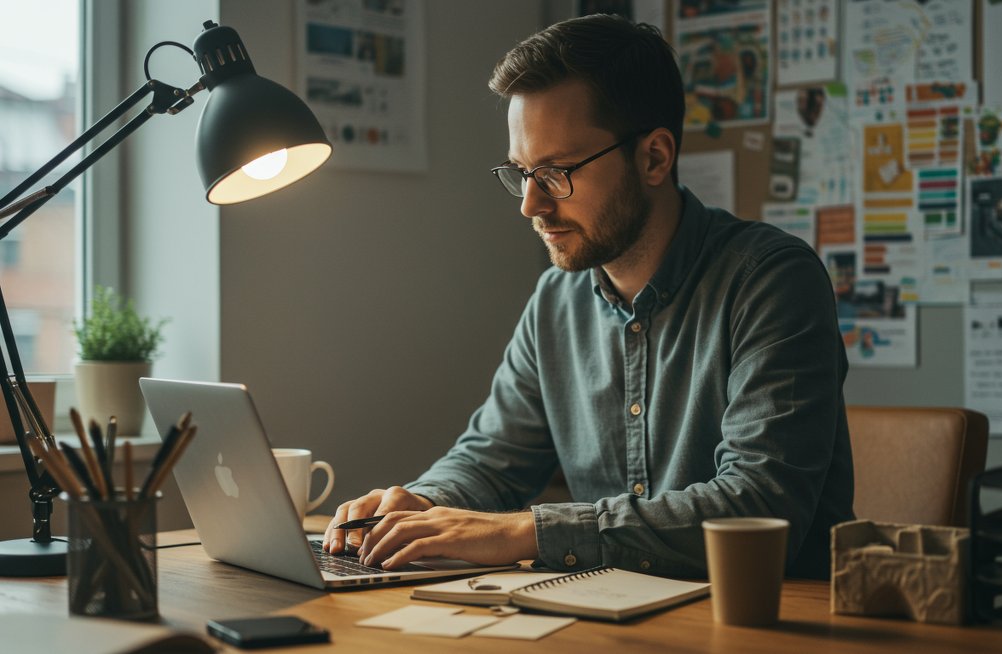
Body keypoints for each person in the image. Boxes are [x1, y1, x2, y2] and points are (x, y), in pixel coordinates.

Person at [322, 14, 854, 579]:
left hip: (769, 621)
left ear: (653, 157)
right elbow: (492, 459)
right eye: (520, 172)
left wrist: (525, 531)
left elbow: (758, 507)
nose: (530, 205)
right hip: (609, 618)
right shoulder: (557, 299)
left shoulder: (770, 280)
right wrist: (421, 506)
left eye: (554, 172)